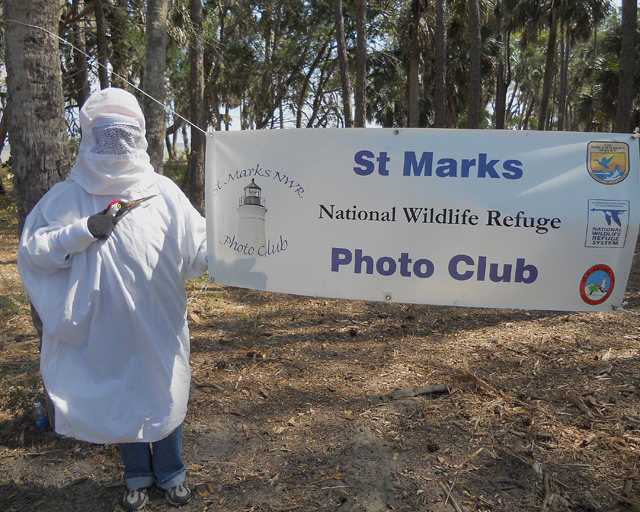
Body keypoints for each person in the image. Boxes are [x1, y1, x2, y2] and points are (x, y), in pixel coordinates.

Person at [17, 88, 208, 510]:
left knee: (165, 392)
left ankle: (171, 471)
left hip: (159, 319)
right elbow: (33, 251)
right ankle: (137, 475)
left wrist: (233, 250)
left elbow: (197, 248)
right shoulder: (67, 197)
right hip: (102, 326)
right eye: (106, 135)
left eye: (123, 134)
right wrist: (82, 230)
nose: (115, 144)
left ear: (139, 135)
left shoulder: (162, 192)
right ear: (88, 136)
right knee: (120, 395)